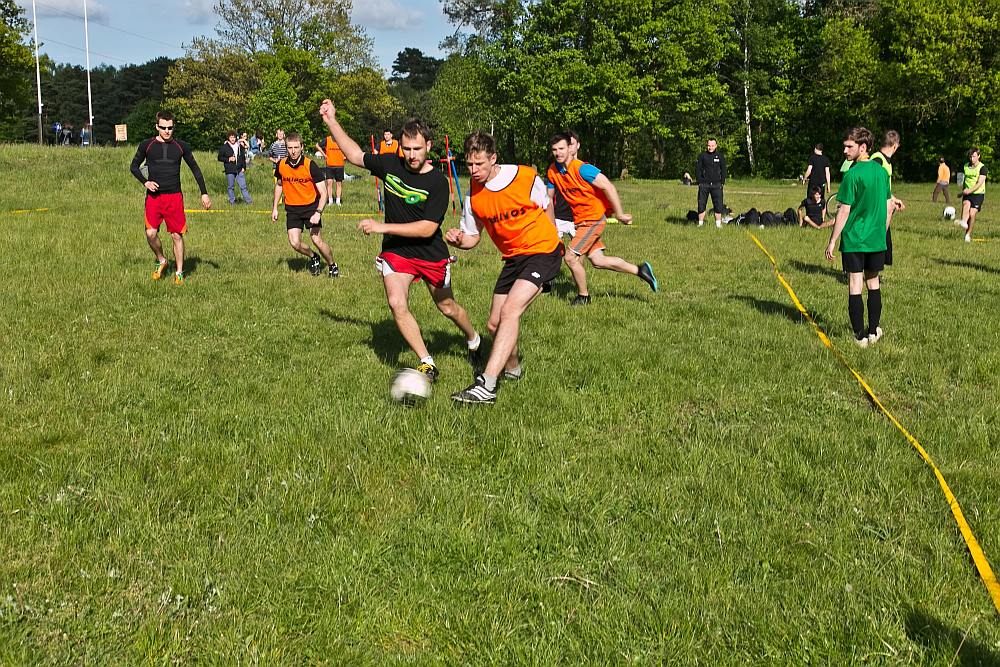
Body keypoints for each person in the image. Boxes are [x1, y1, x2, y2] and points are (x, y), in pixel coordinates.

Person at [319, 101, 482, 381]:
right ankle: (427, 362)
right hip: (397, 251)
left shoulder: (438, 183)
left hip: (430, 253)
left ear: (428, 146)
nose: (411, 155)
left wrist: (382, 227)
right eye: (406, 149)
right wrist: (332, 122)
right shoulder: (390, 163)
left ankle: (473, 339)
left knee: (447, 307)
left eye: (417, 149)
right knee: (396, 302)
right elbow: (355, 155)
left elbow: (427, 229)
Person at [445, 131, 563, 404]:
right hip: (513, 257)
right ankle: (513, 370)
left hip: (543, 251)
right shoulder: (473, 196)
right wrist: (458, 240)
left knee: (511, 310)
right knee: (494, 324)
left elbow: (546, 207)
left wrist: (556, 241)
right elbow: (472, 237)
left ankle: (487, 385)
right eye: (469, 164)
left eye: (479, 164)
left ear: (493, 158)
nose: (474, 170)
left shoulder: (524, 176)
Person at [547, 132, 657, 305]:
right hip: (580, 221)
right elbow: (548, 199)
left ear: (570, 148)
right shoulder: (553, 171)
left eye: (561, 148)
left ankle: (583, 296)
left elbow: (609, 187)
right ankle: (640, 270)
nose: (558, 153)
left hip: (593, 219)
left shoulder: (582, 169)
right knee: (598, 261)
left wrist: (619, 214)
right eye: (554, 149)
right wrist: (550, 224)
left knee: (570, 258)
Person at [824, 126, 891, 348]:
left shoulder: (851, 174)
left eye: (848, 146)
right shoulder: (882, 172)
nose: (844, 150)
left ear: (863, 147)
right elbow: (888, 206)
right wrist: (882, 232)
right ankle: (873, 331)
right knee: (873, 283)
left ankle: (860, 336)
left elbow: (844, 211)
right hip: (876, 239)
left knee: (855, 285)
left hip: (854, 238)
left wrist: (832, 241)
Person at [129, 110, 211, 285]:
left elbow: (195, 168)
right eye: (163, 128)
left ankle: (179, 272)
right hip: (154, 198)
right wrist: (145, 182)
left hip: (174, 197)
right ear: (157, 127)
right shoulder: (147, 145)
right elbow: (134, 166)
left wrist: (203, 192)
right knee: (150, 233)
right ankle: (162, 260)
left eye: (170, 128)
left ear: (174, 127)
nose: (166, 131)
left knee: (176, 236)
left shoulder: (181, 146)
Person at [272, 132, 337, 278]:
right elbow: (279, 185)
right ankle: (313, 257)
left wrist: (318, 212)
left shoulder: (310, 165)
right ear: (286, 148)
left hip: (311, 207)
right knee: (295, 243)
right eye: (290, 148)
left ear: (301, 147)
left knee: (317, 240)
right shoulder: (281, 165)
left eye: (296, 147)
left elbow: (324, 193)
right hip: (292, 209)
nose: (293, 151)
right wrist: (275, 207)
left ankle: (332, 265)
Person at [870, 130, 904, 266]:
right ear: (895, 146)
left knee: (885, 243)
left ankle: (874, 272)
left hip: (883, 204)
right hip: (876, 208)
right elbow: (872, 183)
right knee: (877, 240)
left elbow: (883, 186)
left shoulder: (885, 160)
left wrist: (893, 199)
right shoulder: (877, 159)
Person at [695, 138, 727, 227]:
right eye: (709, 146)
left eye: (712, 146)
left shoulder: (720, 156)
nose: (710, 148)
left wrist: (722, 181)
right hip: (704, 184)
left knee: (718, 205)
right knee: (701, 204)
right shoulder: (702, 156)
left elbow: (723, 169)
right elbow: (697, 169)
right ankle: (700, 224)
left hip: (717, 184)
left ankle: (718, 224)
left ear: (716, 146)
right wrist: (699, 182)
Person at [958, 147, 987, 242]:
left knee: (972, 213)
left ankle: (968, 234)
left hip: (978, 194)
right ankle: (963, 222)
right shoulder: (966, 166)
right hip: (968, 193)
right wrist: (962, 192)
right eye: (970, 157)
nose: (972, 159)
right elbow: (965, 181)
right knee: (966, 205)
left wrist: (969, 191)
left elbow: (979, 183)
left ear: (978, 156)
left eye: (974, 156)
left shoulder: (982, 168)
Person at [218, 130, 252, 205]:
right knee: (231, 187)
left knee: (243, 186)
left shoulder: (239, 146)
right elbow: (219, 157)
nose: (232, 139)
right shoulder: (224, 147)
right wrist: (228, 159)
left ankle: (249, 202)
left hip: (239, 169)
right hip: (229, 169)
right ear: (228, 138)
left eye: (234, 137)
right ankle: (232, 202)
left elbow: (243, 157)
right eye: (231, 137)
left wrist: (244, 167)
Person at [316, 134, 345, 206]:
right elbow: (317, 145)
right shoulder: (327, 139)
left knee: (339, 183)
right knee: (329, 182)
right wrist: (324, 154)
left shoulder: (342, 139)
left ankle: (338, 201)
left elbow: (349, 147)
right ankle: (330, 200)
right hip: (330, 165)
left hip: (339, 165)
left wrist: (346, 155)